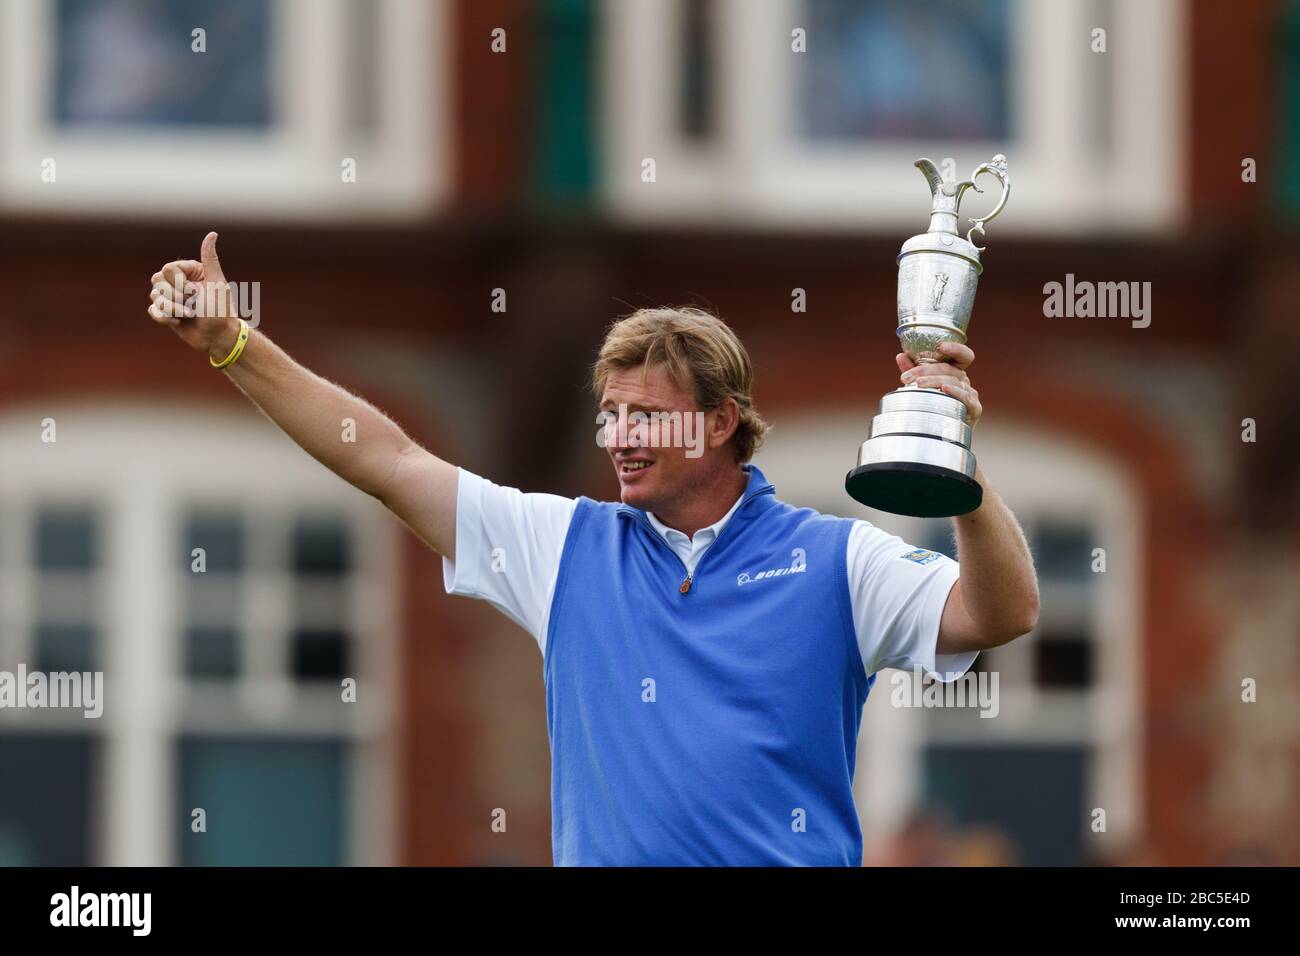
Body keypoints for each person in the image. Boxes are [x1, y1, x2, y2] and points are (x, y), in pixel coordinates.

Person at [147, 232, 1040, 866]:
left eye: (646, 414)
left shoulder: (838, 561)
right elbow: (383, 458)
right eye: (609, 415)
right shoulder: (566, 544)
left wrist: (952, 459)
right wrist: (233, 343)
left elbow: (1001, 611)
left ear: (722, 421)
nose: (618, 437)